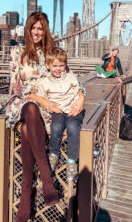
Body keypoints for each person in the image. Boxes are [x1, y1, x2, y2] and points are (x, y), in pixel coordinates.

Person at [6, 12, 85, 222]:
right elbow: (16, 88)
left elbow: (71, 80)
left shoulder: (52, 53)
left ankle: (25, 199)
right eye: (33, 28)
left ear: (45, 30)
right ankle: (46, 178)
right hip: (25, 103)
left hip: (46, 109)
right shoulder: (17, 52)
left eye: (40, 28)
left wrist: (81, 97)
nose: (36, 32)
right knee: (31, 108)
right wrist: (40, 100)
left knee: (26, 130)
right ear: (27, 30)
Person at [37, 47, 85, 181]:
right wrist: (48, 105)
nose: (58, 69)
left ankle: (71, 161)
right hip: (57, 111)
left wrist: (79, 102)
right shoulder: (44, 82)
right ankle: (53, 154)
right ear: (48, 65)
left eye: (61, 65)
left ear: (65, 65)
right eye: (54, 66)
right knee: (56, 127)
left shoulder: (70, 77)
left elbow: (80, 90)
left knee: (73, 128)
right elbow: (42, 97)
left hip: (73, 110)